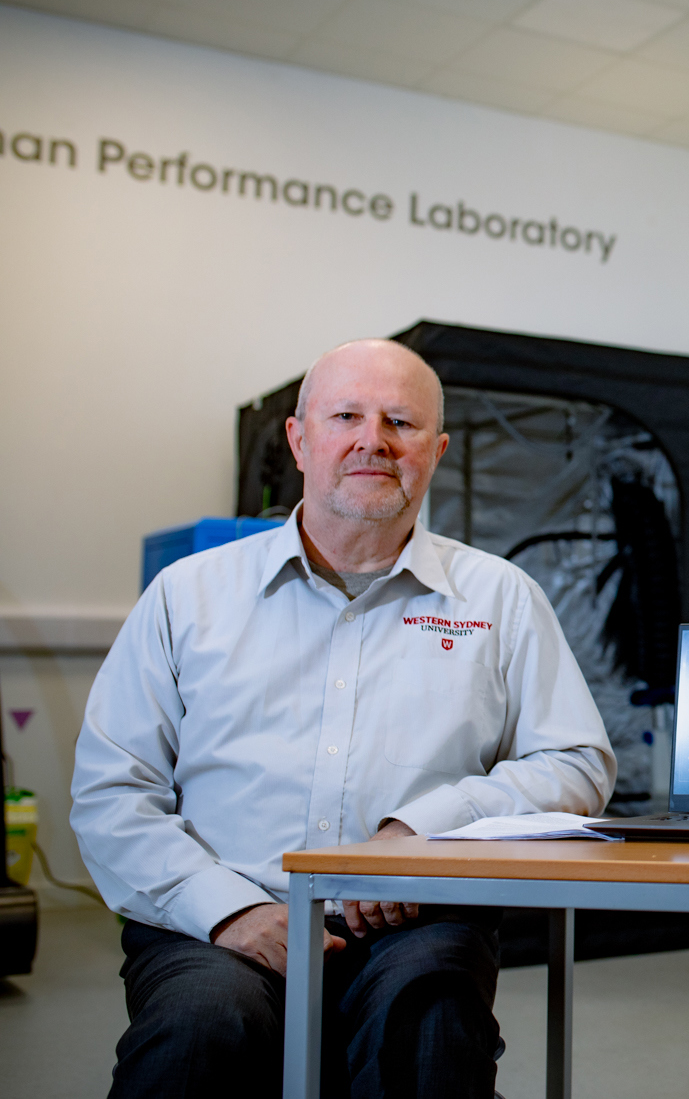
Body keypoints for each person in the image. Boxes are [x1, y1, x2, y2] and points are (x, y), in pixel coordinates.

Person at [72, 338, 616, 1098]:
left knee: (426, 1035)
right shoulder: (185, 596)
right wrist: (230, 913)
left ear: (437, 449)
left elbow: (578, 764)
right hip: (220, 919)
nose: (375, 440)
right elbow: (112, 791)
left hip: (417, 923)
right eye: (347, 416)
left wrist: (419, 835)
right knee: (195, 1036)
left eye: (401, 421)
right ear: (300, 441)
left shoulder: (501, 599)